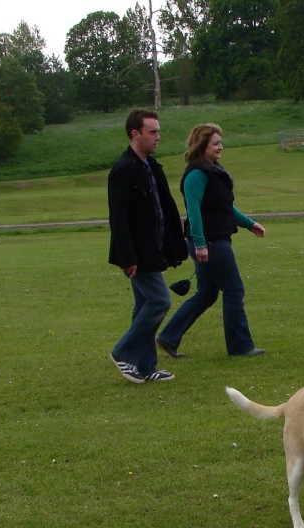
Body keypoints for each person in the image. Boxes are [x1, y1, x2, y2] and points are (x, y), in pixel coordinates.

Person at [156, 123, 267, 358]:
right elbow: (194, 212)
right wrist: (199, 244)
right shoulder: (196, 174)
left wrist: (249, 223)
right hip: (211, 243)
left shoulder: (213, 171)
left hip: (214, 241)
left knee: (206, 294)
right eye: (215, 143)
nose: (220, 147)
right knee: (234, 290)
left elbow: (224, 208)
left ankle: (168, 337)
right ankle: (240, 346)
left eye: (220, 143)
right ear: (202, 145)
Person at [108, 109, 188, 383]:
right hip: (136, 254)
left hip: (153, 251)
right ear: (135, 134)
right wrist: (127, 257)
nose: (158, 137)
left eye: (158, 131)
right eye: (152, 132)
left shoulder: (151, 168)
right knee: (159, 300)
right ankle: (123, 352)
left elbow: (163, 210)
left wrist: (172, 249)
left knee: (144, 304)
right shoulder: (124, 170)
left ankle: (144, 366)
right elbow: (118, 218)